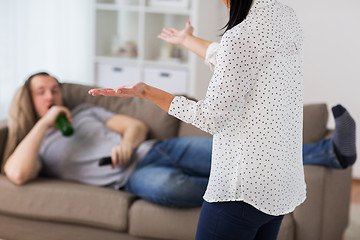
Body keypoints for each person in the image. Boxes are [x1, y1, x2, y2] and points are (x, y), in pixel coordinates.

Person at [88, 0, 356, 239]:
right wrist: (186, 40)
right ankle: (331, 152)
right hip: (279, 187)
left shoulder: (241, 36)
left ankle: (332, 152)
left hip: (240, 190)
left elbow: (211, 118)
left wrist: (148, 92)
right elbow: (241, 61)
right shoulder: (284, 17)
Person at [4, 72, 356, 210]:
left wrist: (126, 142)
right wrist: (48, 120)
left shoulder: (83, 113)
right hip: (132, 179)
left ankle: (331, 152)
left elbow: (135, 126)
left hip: (158, 149)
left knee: (236, 151)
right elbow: (17, 173)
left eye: (55, 88)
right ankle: (258, 189)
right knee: (172, 188)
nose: (52, 94)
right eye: (42, 92)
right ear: (28, 100)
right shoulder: (38, 145)